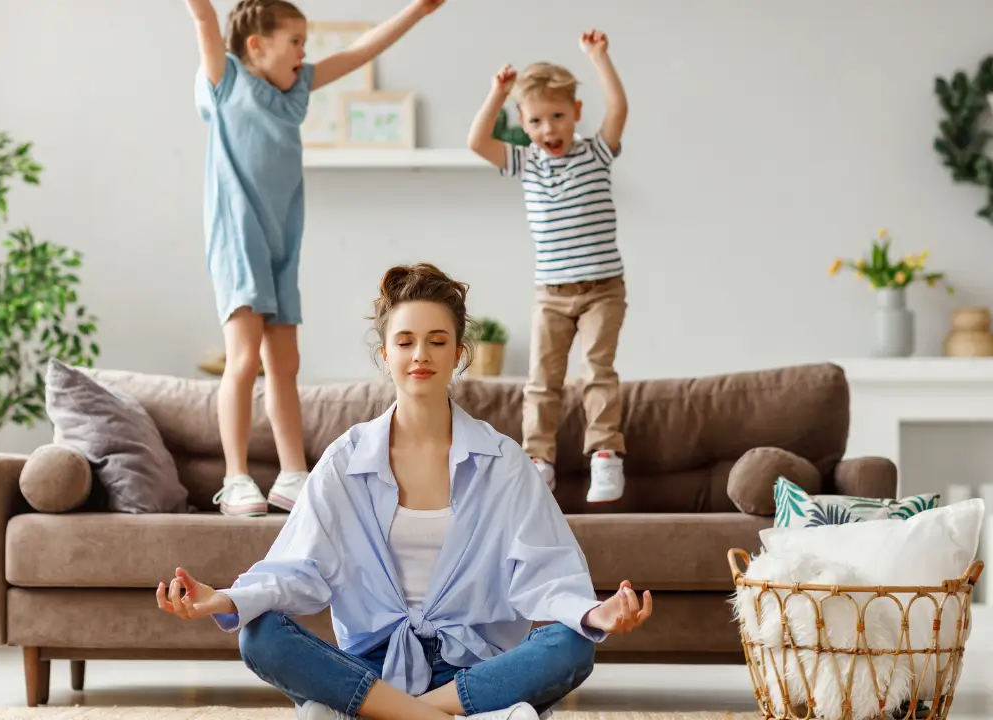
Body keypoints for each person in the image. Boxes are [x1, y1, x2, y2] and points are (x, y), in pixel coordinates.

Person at [156, 264, 653, 720]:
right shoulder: (346, 460)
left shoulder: (503, 462)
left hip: (473, 671)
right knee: (259, 633)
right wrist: (224, 599)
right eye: (406, 341)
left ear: (459, 354)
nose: (421, 355)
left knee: (573, 645)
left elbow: (545, 570)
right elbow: (297, 569)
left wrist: (593, 613)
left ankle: (391, 712)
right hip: (370, 669)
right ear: (385, 354)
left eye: (438, 341)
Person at [183, 0, 446, 517]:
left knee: (285, 363)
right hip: (238, 239)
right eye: (296, 42)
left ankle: (291, 474)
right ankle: (235, 477)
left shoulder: (294, 91)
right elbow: (204, 20)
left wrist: (417, 11)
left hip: (283, 243)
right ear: (257, 45)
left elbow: (359, 51)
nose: (305, 53)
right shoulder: (228, 79)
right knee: (243, 359)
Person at [465, 31, 630, 503]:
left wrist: (599, 58)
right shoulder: (526, 163)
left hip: (603, 289)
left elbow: (618, 108)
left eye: (558, 116)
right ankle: (539, 460)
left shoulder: (596, 153)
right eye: (536, 120)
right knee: (542, 380)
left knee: (597, 370)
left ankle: (605, 455)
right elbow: (477, 141)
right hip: (551, 294)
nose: (549, 129)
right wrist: (497, 91)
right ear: (522, 123)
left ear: (576, 113)